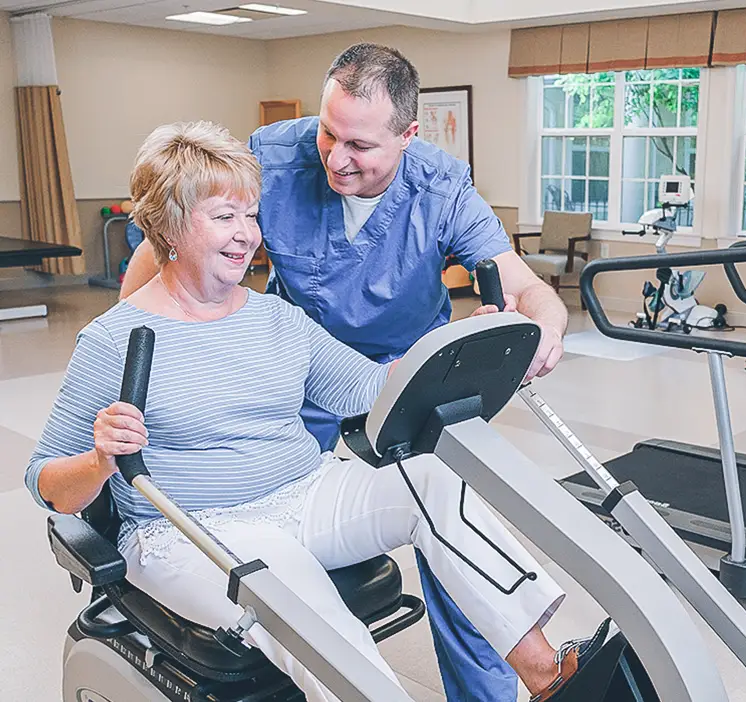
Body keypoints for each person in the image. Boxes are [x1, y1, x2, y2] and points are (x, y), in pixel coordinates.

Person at [27, 122, 610, 702]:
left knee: (434, 480)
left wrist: (463, 345)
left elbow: (376, 387)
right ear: (170, 226)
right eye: (224, 216)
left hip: (304, 495)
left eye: (251, 215)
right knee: (289, 581)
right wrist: (102, 459)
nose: (246, 235)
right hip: (188, 526)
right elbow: (48, 484)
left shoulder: (276, 318)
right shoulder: (115, 339)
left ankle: (542, 671)